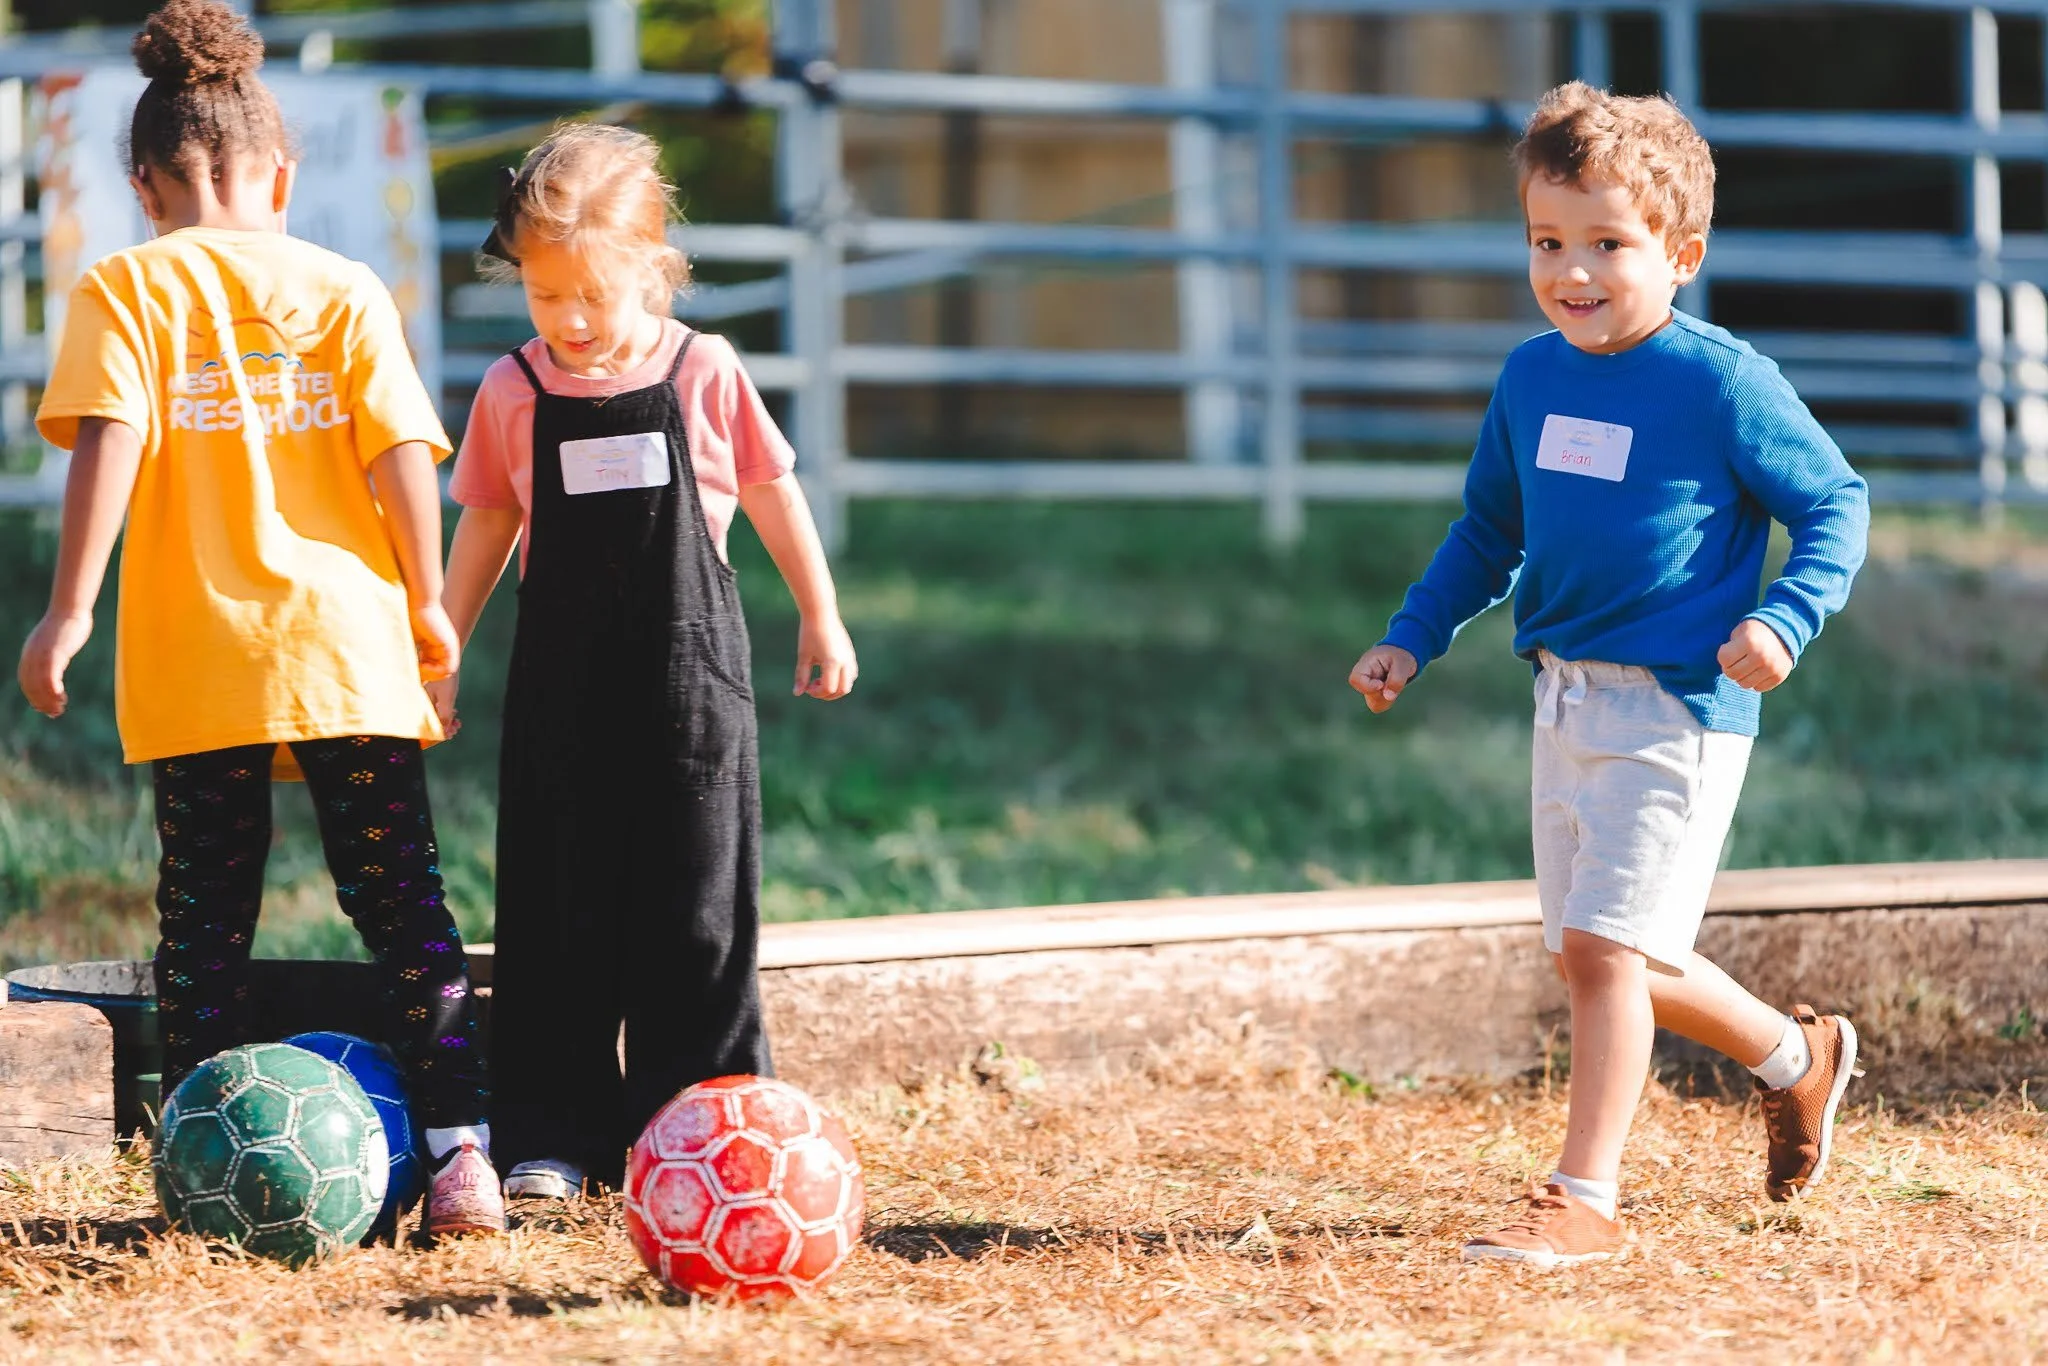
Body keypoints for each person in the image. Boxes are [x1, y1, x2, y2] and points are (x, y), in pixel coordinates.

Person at [1348, 82, 1869, 1268]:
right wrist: (1411, 633)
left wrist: (1786, 616)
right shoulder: (1530, 378)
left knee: (1602, 953)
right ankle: (1801, 1059)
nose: (1570, 272)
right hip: (1563, 696)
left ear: (1680, 253)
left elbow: (1833, 501)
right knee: (1608, 947)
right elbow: (1488, 531)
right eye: (1546, 242)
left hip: (1681, 704)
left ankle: (1581, 1197)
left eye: (1605, 245)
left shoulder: (1719, 382)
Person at [16, 0, 502, 1236]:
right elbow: (402, 457)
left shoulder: (124, 286)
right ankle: (462, 1157)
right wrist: (427, 607)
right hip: (349, 646)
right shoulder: (343, 287)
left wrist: (67, 610)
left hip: (201, 658)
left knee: (204, 916)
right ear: (278, 172)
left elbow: (109, 445)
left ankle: (194, 1150)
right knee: (403, 903)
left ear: (144, 184)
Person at [434, 123, 858, 1198]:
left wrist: (821, 614)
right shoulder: (511, 390)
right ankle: (554, 1137)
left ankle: (707, 1133)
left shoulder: (704, 371)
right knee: (557, 912)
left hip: (690, 700)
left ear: (653, 270)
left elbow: (770, 491)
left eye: (592, 295)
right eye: (543, 296)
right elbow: (483, 528)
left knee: (697, 914)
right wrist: (436, 653)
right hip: (560, 701)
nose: (569, 322)